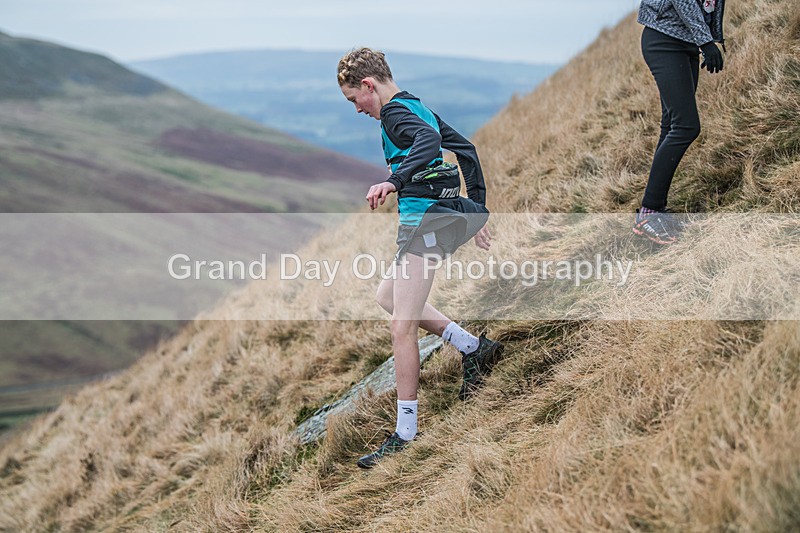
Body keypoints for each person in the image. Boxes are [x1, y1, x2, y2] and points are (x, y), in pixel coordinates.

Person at [337, 48, 504, 469]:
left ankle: (406, 433)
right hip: (428, 223)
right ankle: (473, 348)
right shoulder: (416, 106)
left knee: (401, 327)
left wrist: (392, 180)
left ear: (368, 86)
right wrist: (477, 209)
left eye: (354, 99)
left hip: (427, 225)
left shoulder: (395, 113)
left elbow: (430, 144)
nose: (357, 109)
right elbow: (465, 148)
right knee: (387, 295)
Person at [634, 0, 725, 244]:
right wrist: (706, 42)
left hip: (687, 43)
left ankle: (655, 210)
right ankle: (648, 213)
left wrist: (708, 37)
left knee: (672, 125)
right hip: (664, 41)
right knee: (686, 126)